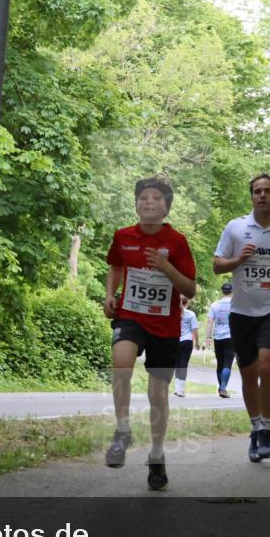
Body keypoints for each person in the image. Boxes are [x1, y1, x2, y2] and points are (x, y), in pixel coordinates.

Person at [103, 175, 197, 490]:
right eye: (144, 197)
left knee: (157, 393)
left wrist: (165, 266)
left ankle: (157, 456)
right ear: (137, 203)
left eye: (156, 198)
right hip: (130, 317)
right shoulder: (122, 236)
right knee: (121, 363)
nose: (149, 202)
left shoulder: (178, 242)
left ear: (166, 206)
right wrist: (110, 294)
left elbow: (190, 289)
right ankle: (122, 431)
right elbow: (115, 267)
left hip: (165, 325)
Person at [213, 172, 270, 462]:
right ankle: (254, 428)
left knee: (266, 367)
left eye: (267, 191)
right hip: (241, 312)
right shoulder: (236, 228)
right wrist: (238, 260)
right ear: (251, 196)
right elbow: (216, 266)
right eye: (256, 191)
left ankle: (266, 429)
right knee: (249, 374)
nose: (261, 195)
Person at [206, 283, 235, 397]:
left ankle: (222, 389)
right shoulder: (235, 305)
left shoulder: (215, 305)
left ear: (222, 291)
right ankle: (223, 388)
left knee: (220, 363)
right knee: (227, 363)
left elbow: (210, 321)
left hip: (218, 337)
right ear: (232, 291)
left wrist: (208, 337)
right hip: (231, 337)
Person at [174, 296, 199, 397]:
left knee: (177, 364)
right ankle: (181, 390)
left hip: (175, 340)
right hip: (187, 340)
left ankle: (176, 388)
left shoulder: (175, 313)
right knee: (184, 364)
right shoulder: (191, 314)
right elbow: (195, 330)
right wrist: (197, 342)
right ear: (187, 303)